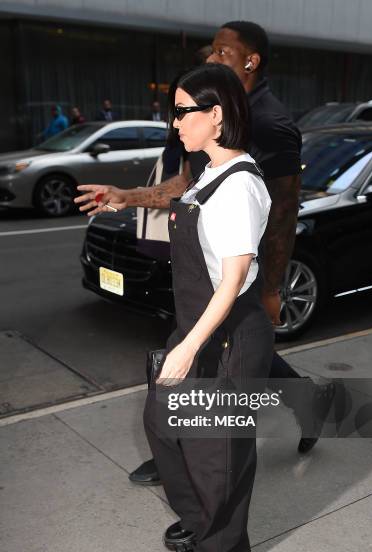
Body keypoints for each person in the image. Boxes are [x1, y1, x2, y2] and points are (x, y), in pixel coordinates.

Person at [75, 21, 334, 485]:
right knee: (213, 357)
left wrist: (273, 287)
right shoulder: (207, 110)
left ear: (250, 61)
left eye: (221, 51)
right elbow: (185, 184)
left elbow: (285, 211)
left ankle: (187, 461)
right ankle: (298, 404)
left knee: (217, 362)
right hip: (200, 263)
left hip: (234, 272)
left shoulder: (271, 124)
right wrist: (127, 195)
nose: (210, 58)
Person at [145, 62, 273, 552]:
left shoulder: (239, 186)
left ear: (215, 116)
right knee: (164, 426)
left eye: (182, 112)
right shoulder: (209, 172)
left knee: (215, 450)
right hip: (198, 327)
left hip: (225, 333)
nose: (174, 123)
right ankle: (200, 518)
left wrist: (187, 347)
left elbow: (232, 281)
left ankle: (223, 548)